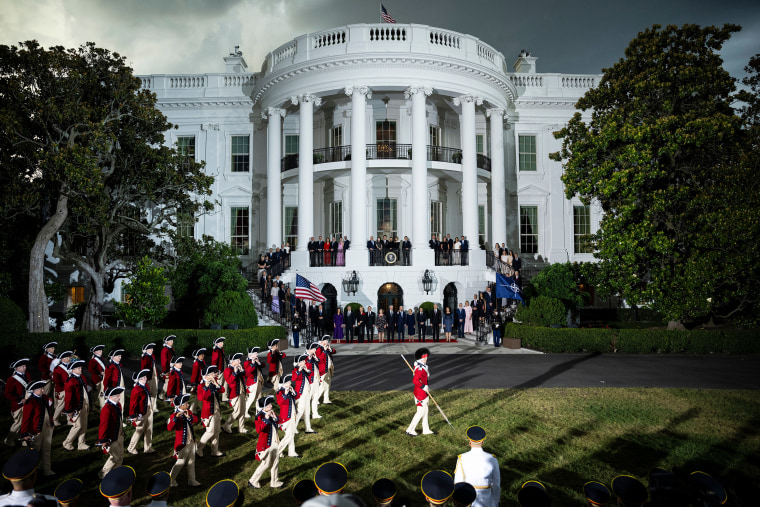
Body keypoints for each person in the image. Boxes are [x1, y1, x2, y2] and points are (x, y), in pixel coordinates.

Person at [453, 426, 501, 507]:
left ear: (470, 443)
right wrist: (496, 502)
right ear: (482, 443)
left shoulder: (462, 458)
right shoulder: (492, 459)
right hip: (488, 501)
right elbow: (496, 484)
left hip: (467, 499)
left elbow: (458, 482)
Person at [20, 380, 55, 476]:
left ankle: (47, 469)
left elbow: (49, 411)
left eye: (43, 388)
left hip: (47, 427)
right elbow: (26, 419)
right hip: (36, 430)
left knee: (47, 449)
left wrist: (51, 423)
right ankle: (32, 472)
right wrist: (24, 433)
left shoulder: (44, 397)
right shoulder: (30, 402)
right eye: (40, 388)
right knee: (35, 451)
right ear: (34, 390)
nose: (43, 390)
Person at [248, 395, 283, 489]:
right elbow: (258, 430)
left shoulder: (271, 412)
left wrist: (274, 417)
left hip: (274, 441)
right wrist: (266, 418)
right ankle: (253, 480)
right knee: (266, 463)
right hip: (266, 444)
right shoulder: (259, 416)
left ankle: (274, 481)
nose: (271, 406)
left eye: (270, 404)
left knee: (276, 462)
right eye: (268, 405)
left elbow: (278, 421)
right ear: (263, 407)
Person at [168, 393, 202, 487]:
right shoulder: (174, 415)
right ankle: (171, 479)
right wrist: (175, 418)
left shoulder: (188, 412)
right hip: (182, 444)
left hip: (191, 441)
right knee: (181, 461)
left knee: (191, 461)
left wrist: (189, 417)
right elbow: (169, 428)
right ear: (181, 405)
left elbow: (195, 419)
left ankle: (192, 479)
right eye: (186, 403)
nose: (188, 405)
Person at [196, 365, 225, 458]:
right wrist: (206, 387)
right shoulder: (201, 386)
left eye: (213, 373)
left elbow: (222, 390)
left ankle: (214, 450)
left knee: (217, 431)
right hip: (208, 412)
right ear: (205, 376)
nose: (213, 375)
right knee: (210, 431)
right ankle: (198, 448)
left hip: (216, 410)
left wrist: (216, 384)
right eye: (211, 373)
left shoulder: (214, 383)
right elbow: (201, 398)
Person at [62, 359, 91, 451]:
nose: (80, 369)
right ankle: (67, 443)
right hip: (76, 407)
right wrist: (69, 410)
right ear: (72, 370)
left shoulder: (82, 377)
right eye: (78, 368)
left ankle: (81, 443)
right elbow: (69, 397)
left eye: (81, 368)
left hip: (84, 405)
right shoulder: (70, 381)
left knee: (84, 425)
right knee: (77, 426)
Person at [98, 386, 125, 479]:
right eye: (117, 395)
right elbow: (103, 426)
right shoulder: (107, 409)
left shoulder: (117, 405)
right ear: (110, 397)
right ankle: (103, 473)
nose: (119, 397)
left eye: (119, 395)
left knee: (121, 454)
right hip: (112, 438)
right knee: (114, 457)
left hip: (119, 434)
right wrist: (103, 440)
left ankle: (117, 472)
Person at [405, 348, 434, 436]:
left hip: (424, 391)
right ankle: (410, 429)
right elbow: (415, 380)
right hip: (420, 393)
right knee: (420, 412)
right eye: (425, 357)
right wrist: (423, 386)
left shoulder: (421, 366)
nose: (426, 359)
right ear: (421, 359)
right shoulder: (420, 368)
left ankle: (426, 429)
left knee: (425, 411)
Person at [127, 369, 155, 455]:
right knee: (139, 430)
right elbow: (133, 404)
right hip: (141, 412)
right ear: (139, 379)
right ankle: (131, 448)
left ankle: (148, 448)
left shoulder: (146, 385)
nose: (145, 378)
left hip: (149, 410)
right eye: (143, 377)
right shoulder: (136, 389)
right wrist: (133, 415)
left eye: (145, 376)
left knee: (149, 429)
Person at [5, 358, 31, 446]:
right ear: (17, 368)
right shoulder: (11, 379)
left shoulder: (27, 375)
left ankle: (25, 439)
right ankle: (9, 440)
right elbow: (7, 394)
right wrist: (20, 399)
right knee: (18, 423)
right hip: (18, 405)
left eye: (25, 366)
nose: (25, 367)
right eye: (22, 366)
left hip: (27, 403)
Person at [222, 353, 247, 434]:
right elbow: (229, 381)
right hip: (234, 393)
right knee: (237, 411)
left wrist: (242, 370)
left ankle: (241, 428)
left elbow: (245, 376)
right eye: (238, 360)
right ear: (233, 361)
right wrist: (235, 372)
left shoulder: (238, 368)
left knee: (242, 411)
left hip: (242, 391)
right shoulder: (227, 370)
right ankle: (226, 425)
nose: (240, 361)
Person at [276, 374, 299, 458]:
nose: (289, 384)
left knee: (291, 434)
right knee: (289, 436)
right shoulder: (280, 392)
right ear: (282, 384)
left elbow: (297, 396)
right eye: (287, 382)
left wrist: (293, 392)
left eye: (289, 382)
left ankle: (291, 452)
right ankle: (277, 451)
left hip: (292, 415)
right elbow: (280, 402)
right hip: (286, 417)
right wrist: (285, 394)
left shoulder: (290, 390)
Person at [292, 354, 315, 434]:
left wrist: (306, 369)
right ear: (298, 363)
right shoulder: (295, 369)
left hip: (307, 392)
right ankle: (293, 427)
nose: (304, 362)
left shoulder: (304, 369)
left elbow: (311, 374)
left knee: (307, 411)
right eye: (302, 361)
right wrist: (299, 370)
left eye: (303, 360)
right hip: (301, 393)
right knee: (300, 411)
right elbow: (294, 378)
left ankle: (308, 428)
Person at [51, 351, 72, 426]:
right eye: (66, 357)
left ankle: (70, 420)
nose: (68, 358)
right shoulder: (58, 368)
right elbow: (56, 380)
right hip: (62, 389)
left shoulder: (70, 366)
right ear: (62, 359)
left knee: (70, 405)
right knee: (61, 406)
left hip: (70, 389)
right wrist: (64, 385)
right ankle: (55, 419)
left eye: (68, 357)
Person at [243, 347, 264, 419]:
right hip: (252, 383)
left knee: (259, 397)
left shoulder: (256, 360)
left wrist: (258, 363)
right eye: (255, 353)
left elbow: (263, 365)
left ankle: (258, 412)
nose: (257, 354)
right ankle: (244, 412)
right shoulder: (247, 363)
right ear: (251, 355)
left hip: (258, 381)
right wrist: (252, 363)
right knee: (251, 398)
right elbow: (247, 373)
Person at [316, 336, 336, 404]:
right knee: (321, 386)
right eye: (325, 340)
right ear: (321, 341)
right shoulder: (318, 348)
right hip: (322, 371)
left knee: (327, 385)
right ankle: (316, 400)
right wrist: (324, 351)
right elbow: (319, 359)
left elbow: (334, 351)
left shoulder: (326, 348)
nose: (327, 341)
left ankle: (326, 399)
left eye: (327, 340)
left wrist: (329, 349)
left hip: (328, 369)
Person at [140, 343, 160, 412]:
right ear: (146, 350)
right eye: (150, 349)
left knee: (155, 392)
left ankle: (154, 407)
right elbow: (144, 368)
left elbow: (154, 367)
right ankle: (148, 407)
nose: (152, 350)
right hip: (149, 378)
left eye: (152, 349)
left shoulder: (152, 356)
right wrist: (145, 378)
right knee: (148, 393)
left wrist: (156, 376)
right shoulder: (145, 357)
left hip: (154, 376)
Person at [88, 345, 107, 411]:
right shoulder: (93, 360)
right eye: (99, 350)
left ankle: (102, 406)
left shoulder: (101, 358)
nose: (101, 351)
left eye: (101, 350)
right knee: (95, 394)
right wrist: (99, 372)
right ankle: (91, 404)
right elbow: (90, 370)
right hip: (97, 379)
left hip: (103, 378)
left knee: (102, 393)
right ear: (95, 352)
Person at [307, 343, 323, 419]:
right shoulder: (304, 357)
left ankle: (315, 413)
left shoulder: (313, 356)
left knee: (315, 398)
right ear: (309, 350)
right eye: (314, 349)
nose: (315, 350)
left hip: (316, 379)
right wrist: (309, 360)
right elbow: (307, 369)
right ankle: (305, 415)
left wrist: (316, 358)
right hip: (310, 381)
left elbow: (319, 362)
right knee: (308, 399)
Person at [159, 335, 176, 402]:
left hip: (172, 368)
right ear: (167, 342)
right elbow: (164, 362)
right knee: (167, 383)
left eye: (172, 340)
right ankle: (162, 395)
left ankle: (167, 395)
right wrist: (165, 371)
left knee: (170, 383)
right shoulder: (164, 350)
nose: (172, 342)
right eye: (171, 341)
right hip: (168, 369)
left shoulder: (171, 348)